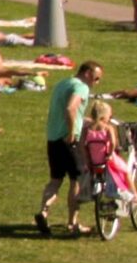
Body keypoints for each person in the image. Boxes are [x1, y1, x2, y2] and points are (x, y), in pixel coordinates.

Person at [36, 60, 103, 237]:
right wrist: (72, 132)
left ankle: (43, 211)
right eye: (96, 78)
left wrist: (85, 121)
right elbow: (70, 108)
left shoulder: (62, 83)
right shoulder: (82, 87)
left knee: (55, 180)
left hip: (53, 138)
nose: (96, 83)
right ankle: (73, 223)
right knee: (76, 180)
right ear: (87, 73)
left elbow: (64, 111)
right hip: (68, 139)